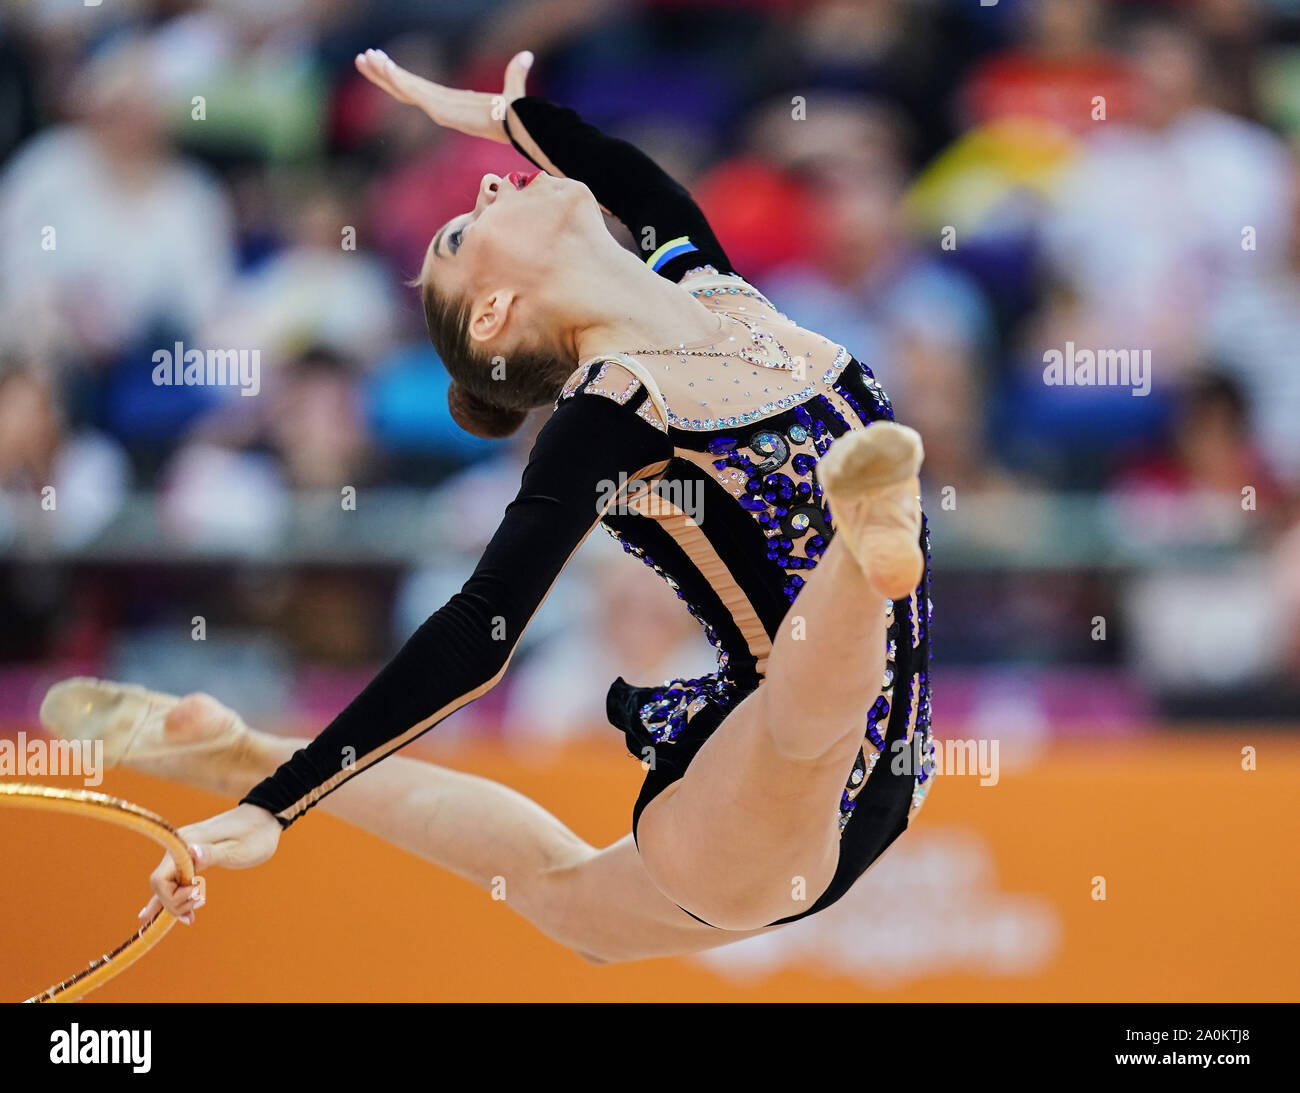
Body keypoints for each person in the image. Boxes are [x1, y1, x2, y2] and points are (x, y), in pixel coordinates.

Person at [43, 49, 936, 960]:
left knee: (573, 910)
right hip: (764, 799)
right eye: (461, 237)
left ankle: (241, 753)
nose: (485, 196)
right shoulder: (611, 411)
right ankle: (863, 548)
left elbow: (625, 173)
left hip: (892, 783)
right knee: (806, 727)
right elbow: (480, 626)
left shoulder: (716, 292)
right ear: (494, 312)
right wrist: (286, 809)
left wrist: (495, 114)